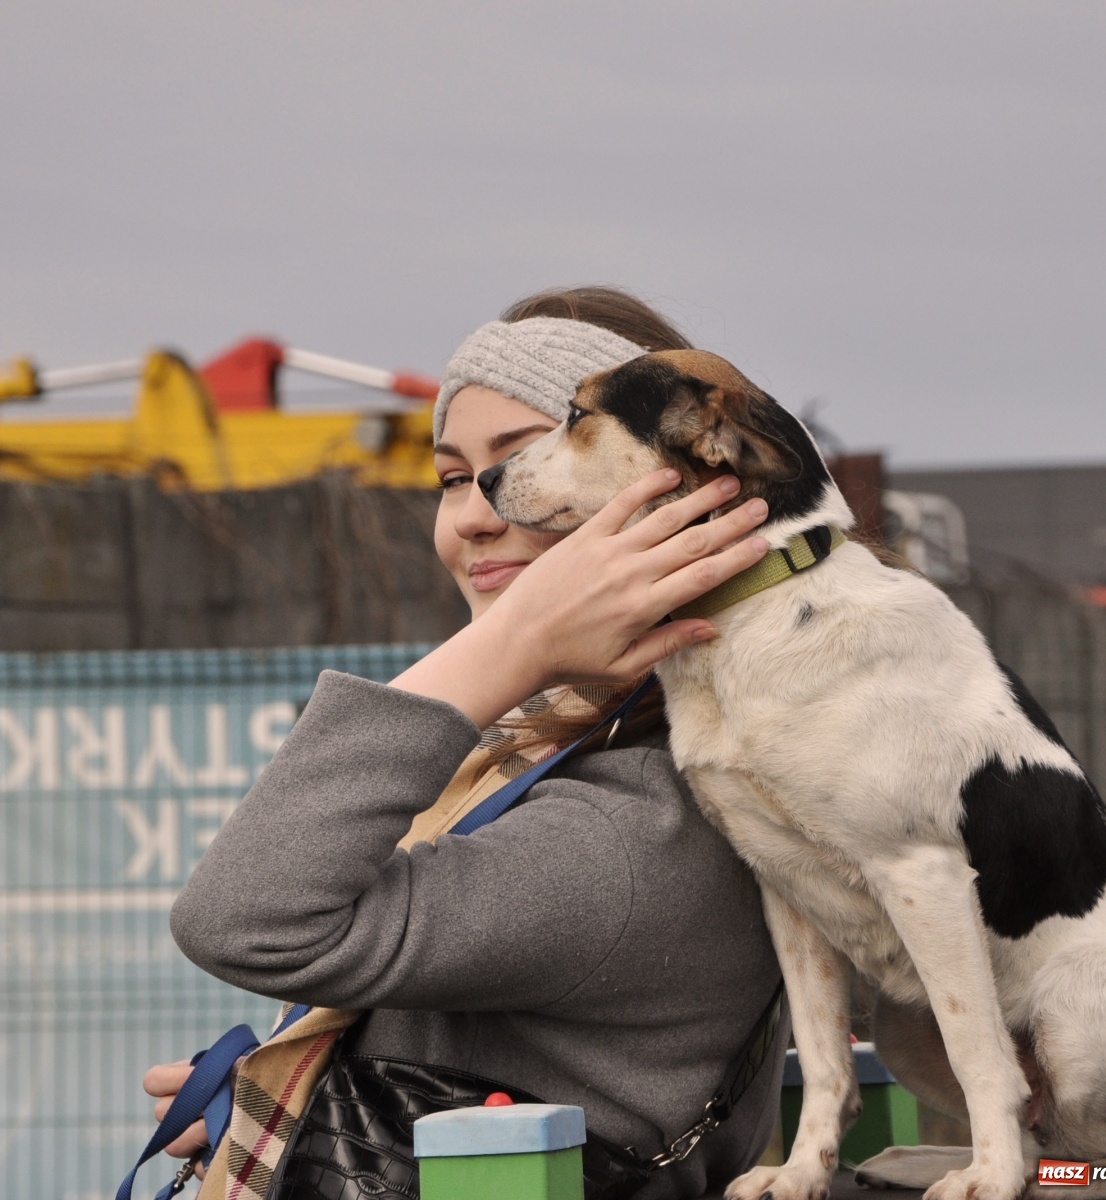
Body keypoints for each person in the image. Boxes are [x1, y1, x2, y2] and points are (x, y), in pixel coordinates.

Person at [145, 286, 788, 1199]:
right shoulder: (556, 748)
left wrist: (507, 644)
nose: (477, 512)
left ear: (680, 499)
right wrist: (287, 1103)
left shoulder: (637, 826)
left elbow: (242, 919)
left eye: (531, 463)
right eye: (451, 477)